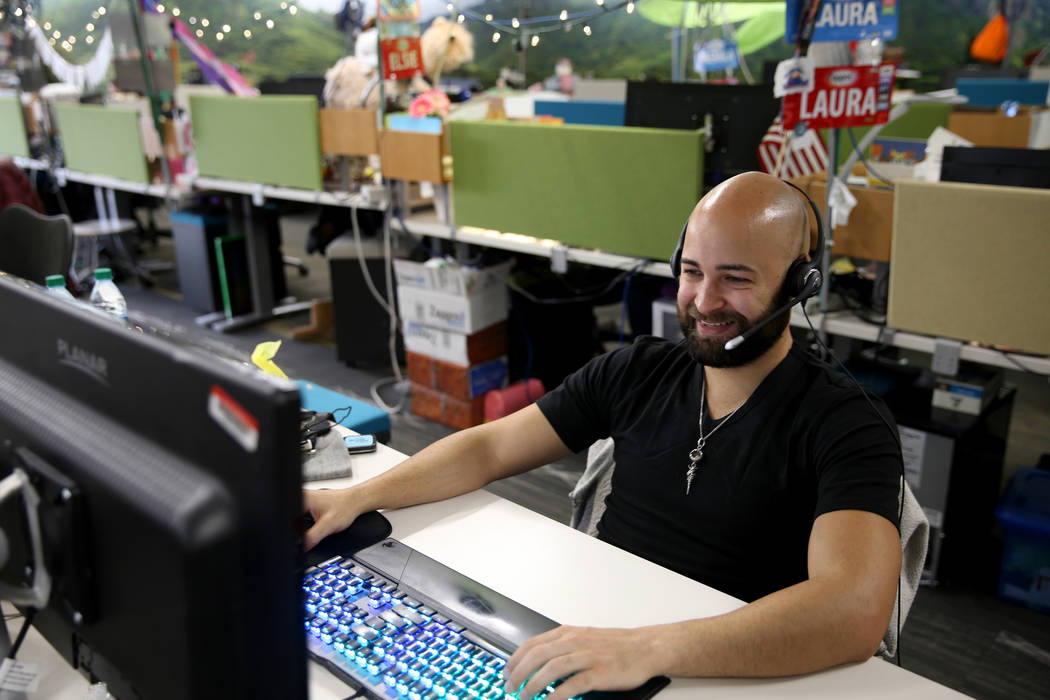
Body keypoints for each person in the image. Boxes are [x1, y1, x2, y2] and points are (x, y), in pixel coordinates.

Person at [303, 171, 903, 699]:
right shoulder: (638, 370)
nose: (704, 300)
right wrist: (357, 496)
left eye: (736, 279)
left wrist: (647, 650)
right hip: (595, 635)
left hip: (719, 666)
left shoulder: (846, 423)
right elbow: (489, 447)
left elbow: (853, 611)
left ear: (799, 285)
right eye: (691, 272)